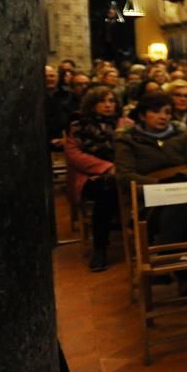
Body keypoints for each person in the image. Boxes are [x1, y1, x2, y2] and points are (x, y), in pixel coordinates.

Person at [114, 91, 187, 246]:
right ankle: (178, 258)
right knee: (178, 204)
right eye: (156, 112)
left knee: (181, 202)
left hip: (185, 191)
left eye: (167, 112)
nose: (163, 117)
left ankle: (170, 254)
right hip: (149, 201)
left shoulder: (180, 136)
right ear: (143, 115)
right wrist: (161, 186)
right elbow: (125, 176)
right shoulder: (128, 140)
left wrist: (181, 177)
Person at [65, 86, 125, 271]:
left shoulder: (125, 124)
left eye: (111, 101)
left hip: (123, 173)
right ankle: (100, 247)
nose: (108, 105)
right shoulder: (79, 127)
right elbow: (74, 155)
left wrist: (121, 168)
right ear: (92, 105)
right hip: (92, 176)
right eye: (102, 101)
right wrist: (107, 167)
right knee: (104, 192)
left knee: (120, 187)